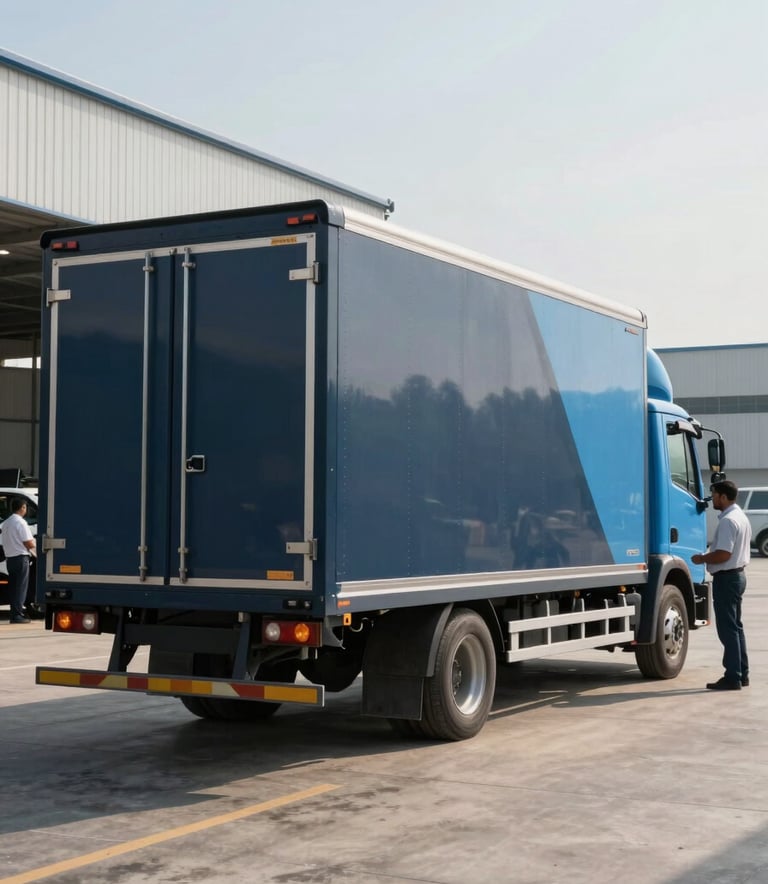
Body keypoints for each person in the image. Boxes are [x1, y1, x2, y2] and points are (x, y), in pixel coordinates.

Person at [692, 480, 751, 691]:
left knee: (728, 630)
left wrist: (702, 558)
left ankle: (732, 676)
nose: (713, 498)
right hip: (737, 576)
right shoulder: (740, 517)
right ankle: (742, 674)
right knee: (736, 628)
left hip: (727, 578)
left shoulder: (728, 521)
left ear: (724, 497)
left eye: (715, 494)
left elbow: (724, 554)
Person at [2, 498, 36, 624]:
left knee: (14, 587)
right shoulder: (21, 523)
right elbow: (28, 542)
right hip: (21, 558)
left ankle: (14, 612)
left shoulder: (6, 523)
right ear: (22, 507)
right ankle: (17, 615)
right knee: (20, 588)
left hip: (10, 559)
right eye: (25, 507)